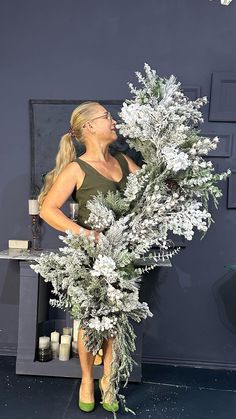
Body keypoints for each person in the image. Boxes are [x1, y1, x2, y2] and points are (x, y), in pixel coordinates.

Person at [38, 101, 140, 413]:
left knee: (115, 323)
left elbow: (150, 193)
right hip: (90, 260)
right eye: (107, 116)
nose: (114, 120)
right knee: (90, 322)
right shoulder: (76, 169)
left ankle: (107, 378)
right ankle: (86, 379)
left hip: (123, 256)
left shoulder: (124, 162)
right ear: (89, 127)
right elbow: (47, 209)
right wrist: (88, 234)